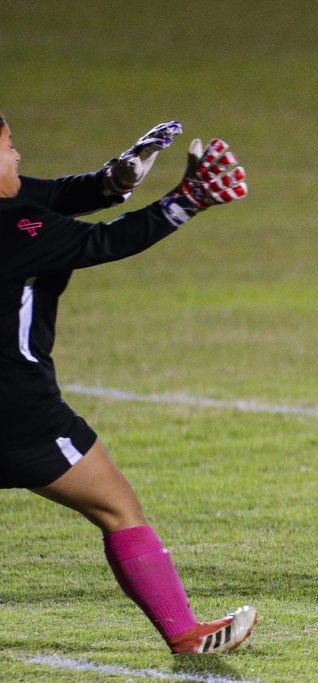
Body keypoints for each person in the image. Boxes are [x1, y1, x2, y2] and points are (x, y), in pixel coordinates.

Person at [0, 114, 257, 654]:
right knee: (117, 509)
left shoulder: (18, 214)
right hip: (18, 410)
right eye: (9, 145)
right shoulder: (19, 231)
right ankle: (184, 634)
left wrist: (111, 181)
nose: (18, 156)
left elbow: (46, 197)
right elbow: (107, 242)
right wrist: (188, 199)